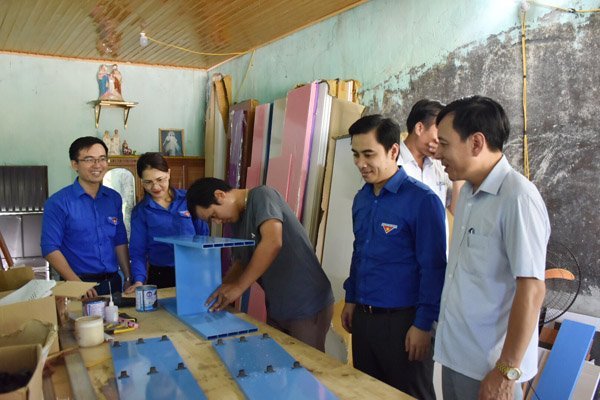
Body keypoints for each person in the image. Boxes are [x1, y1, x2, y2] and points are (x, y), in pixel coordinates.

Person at [433, 96, 549, 400]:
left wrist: (506, 371)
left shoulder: (517, 198)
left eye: (444, 144)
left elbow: (532, 289)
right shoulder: (468, 194)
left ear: (476, 143)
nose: (438, 154)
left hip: (490, 369)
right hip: (457, 356)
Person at [341, 114, 446, 399]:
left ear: (393, 151)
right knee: (367, 393)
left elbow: (434, 269)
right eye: (356, 154)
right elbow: (359, 252)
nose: (360, 163)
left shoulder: (422, 201)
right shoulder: (362, 199)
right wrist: (351, 298)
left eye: (368, 154)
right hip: (364, 319)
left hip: (404, 323)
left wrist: (423, 325)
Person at [187, 178, 334, 352]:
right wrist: (219, 293)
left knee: (308, 365)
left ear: (220, 195)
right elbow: (242, 262)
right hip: (278, 305)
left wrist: (238, 288)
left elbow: (272, 242)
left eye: (213, 215)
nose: (217, 222)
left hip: (306, 303)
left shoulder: (262, 195)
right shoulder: (236, 221)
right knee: (280, 362)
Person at [41, 136, 132, 298]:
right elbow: (49, 248)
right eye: (89, 159)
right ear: (74, 164)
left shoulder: (113, 198)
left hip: (113, 284)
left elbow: (120, 240)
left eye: (102, 159)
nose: (97, 165)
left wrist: (128, 277)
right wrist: (77, 284)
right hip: (77, 284)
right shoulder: (58, 202)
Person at [124, 153, 209, 292]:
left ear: (168, 173)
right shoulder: (140, 212)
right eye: (148, 182)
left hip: (193, 269)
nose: (155, 187)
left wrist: (205, 268)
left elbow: (203, 236)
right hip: (161, 274)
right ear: (141, 181)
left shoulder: (188, 199)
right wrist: (139, 281)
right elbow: (138, 251)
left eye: (160, 179)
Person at [400, 99, 463, 215]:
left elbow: (457, 211)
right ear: (419, 128)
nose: (442, 139)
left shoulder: (441, 165)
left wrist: (455, 163)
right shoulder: (392, 163)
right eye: (440, 132)